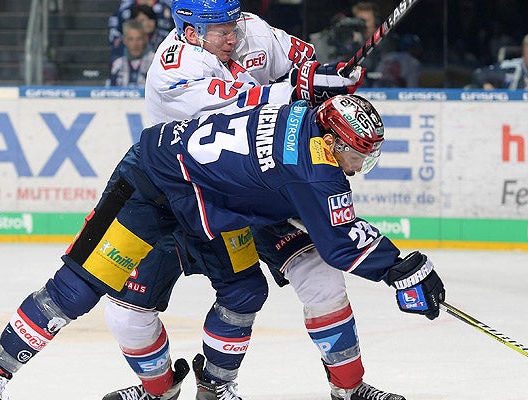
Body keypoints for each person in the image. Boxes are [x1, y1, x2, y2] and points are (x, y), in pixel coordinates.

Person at [0, 94, 446, 400]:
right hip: (149, 181)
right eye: (358, 154)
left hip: (202, 196)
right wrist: (403, 268)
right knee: (78, 289)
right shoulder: (315, 168)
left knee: (245, 290)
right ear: (334, 143)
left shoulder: (304, 115)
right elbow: (341, 244)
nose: (360, 164)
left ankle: (214, 388)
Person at [108, 1, 403, 400]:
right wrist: (308, 86)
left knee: (318, 280)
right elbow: (241, 104)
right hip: (181, 193)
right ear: (191, 30)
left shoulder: (253, 30)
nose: (232, 35)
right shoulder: (173, 67)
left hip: (262, 187)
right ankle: (159, 390)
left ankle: (343, 389)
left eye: (233, 23)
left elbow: (302, 66)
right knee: (127, 314)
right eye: (219, 29)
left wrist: (327, 75)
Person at [106, 19, 153, 87]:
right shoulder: (117, 64)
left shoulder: (155, 61)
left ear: (145, 39)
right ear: (125, 40)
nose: (135, 43)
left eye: (139, 39)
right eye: (131, 39)